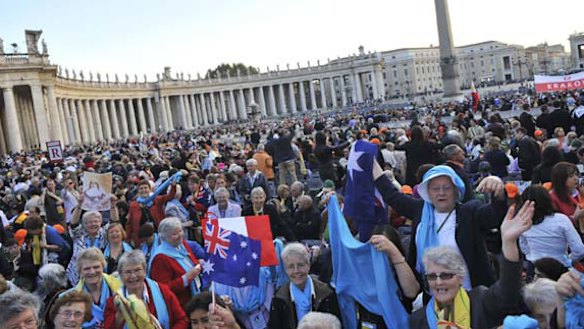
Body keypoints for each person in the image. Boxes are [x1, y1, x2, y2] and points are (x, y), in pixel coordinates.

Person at [374, 163, 508, 289]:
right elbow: (392, 195)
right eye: (435, 188)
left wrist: (498, 191)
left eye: (447, 188)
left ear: (456, 191)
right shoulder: (419, 210)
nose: (441, 193)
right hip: (432, 295)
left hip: (470, 294)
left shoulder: (470, 212)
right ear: (427, 192)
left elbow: (494, 217)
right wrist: (371, 162)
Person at [409, 201, 534, 328]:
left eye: (446, 275)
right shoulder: (418, 320)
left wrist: (509, 241)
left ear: (461, 277)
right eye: (432, 276)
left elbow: (508, 290)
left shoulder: (481, 301)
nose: (439, 282)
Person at [104, 250, 189, 329]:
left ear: (145, 271)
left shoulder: (163, 291)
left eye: (137, 270)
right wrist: (120, 315)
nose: (133, 276)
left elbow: (182, 320)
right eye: (128, 272)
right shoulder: (113, 302)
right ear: (121, 275)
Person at [268, 243, 341, 328]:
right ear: (286, 270)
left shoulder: (327, 293)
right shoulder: (279, 297)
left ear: (308, 265)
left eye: (300, 265)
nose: (296, 271)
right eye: (291, 266)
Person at [519, 185, 584, 267]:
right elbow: (579, 250)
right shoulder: (561, 220)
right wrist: (566, 261)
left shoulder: (523, 222)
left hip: (535, 267)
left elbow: (524, 247)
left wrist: (533, 256)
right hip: (559, 267)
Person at [63, 247, 122, 328]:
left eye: (96, 267)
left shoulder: (121, 288)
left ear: (103, 266)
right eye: (87, 269)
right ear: (80, 271)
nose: (92, 272)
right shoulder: (67, 298)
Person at [149, 217, 202, 305]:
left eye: (180, 231)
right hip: (179, 303)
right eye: (174, 234)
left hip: (194, 296)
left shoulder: (181, 245)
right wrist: (186, 278)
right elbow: (162, 288)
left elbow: (192, 263)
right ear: (164, 237)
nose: (180, 235)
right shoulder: (160, 258)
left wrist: (198, 264)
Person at [127, 179, 177, 246]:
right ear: (138, 191)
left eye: (145, 188)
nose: (143, 190)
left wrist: (173, 186)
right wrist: (128, 239)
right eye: (141, 188)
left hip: (158, 235)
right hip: (142, 238)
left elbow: (170, 196)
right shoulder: (133, 205)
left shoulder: (156, 200)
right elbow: (129, 223)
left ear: (150, 190)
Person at [549, 162, 584, 230]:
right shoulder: (553, 197)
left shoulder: (578, 192)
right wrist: (574, 218)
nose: (576, 178)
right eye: (571, 176)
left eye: (576, 175)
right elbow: (555, 225)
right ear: (561, 178)